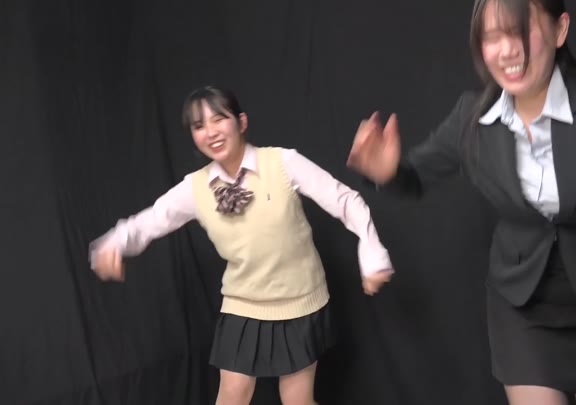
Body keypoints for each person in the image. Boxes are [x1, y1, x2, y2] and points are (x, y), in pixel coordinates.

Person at [346, 0, 576, 404]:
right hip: (523, 309)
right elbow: (412, 179)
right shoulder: (471, 119)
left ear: (559, 30)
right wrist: (386, 173)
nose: (507, 50)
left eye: (520, 32)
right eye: (491, 37)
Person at [89, 85, 394, 405]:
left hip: (300, 301)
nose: (210, 132)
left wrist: (372, 253)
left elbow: (345, 201)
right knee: (231, 397)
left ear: (242, 122)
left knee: (297, 401)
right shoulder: (196, 188)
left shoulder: (283, 162)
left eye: (219, 119)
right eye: (199, 126)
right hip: (243, 303)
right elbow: (152, 220)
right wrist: (114, 244)